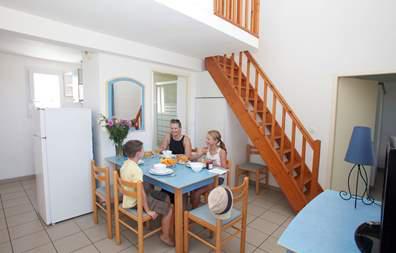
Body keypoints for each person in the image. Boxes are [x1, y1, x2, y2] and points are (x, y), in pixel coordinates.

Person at [121, 140, 174, 246]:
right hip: (135, 202)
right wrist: (148, 210)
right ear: (138, 154)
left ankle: (165, 224)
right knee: (170, 209)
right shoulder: (136, 170)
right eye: (142, 150)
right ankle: (165, 236)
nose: (144, 151)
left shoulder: (125, 164)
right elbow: (141, 194)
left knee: (165, 196)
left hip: (128, 198)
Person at [190, 130, 228, 208]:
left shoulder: (221, 152)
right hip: (206, 177)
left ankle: (193, 214)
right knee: (192, 189)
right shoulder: (207, 149)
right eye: (206, 138)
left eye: (208, 139)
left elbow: (224, 170)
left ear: (216, 141)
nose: (206, 141)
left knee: (197, 193)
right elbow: (195, 157)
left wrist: (214, 164)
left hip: (217, 178)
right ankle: (193, 211)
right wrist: (189, 156)